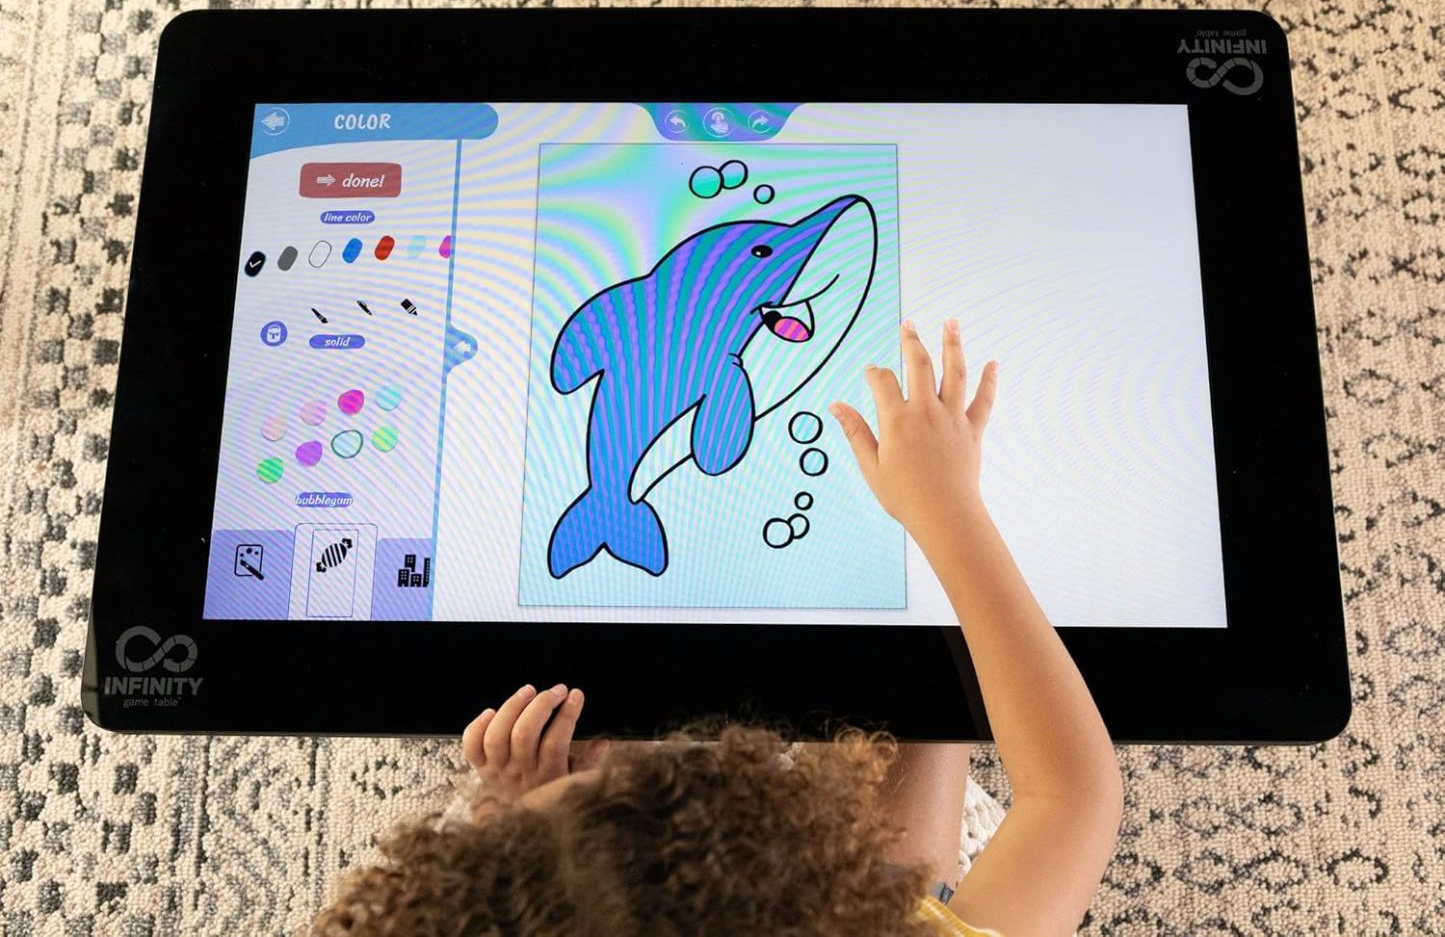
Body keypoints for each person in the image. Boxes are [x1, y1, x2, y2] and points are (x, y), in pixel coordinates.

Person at [311, 320, 1123, 936]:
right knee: (918, 692)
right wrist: (947, 507)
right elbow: (1070, 794)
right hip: (873, 912)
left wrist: (518, 814)